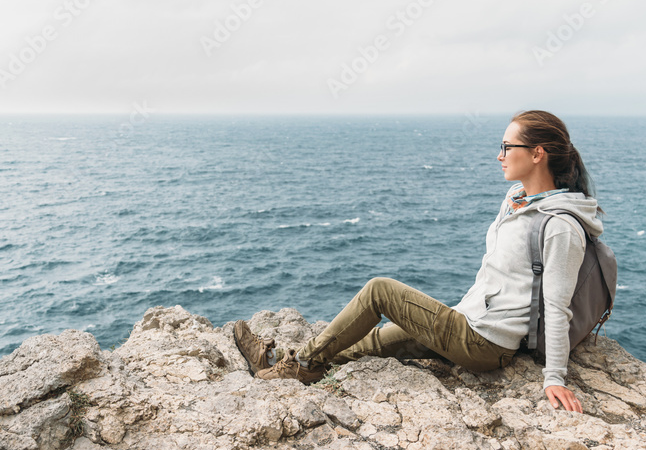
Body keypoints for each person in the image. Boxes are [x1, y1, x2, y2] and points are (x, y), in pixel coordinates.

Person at [233, 110, 604, 414]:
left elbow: (557, 308)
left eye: (508, 147)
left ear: (538, 153)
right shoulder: (517, 198)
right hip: (468, 319)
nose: (499, 155)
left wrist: (554, 376)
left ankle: (294, 368)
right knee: (373, 342)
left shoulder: (560, 227)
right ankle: (281, 360)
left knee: (379, 291)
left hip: (484, 342)